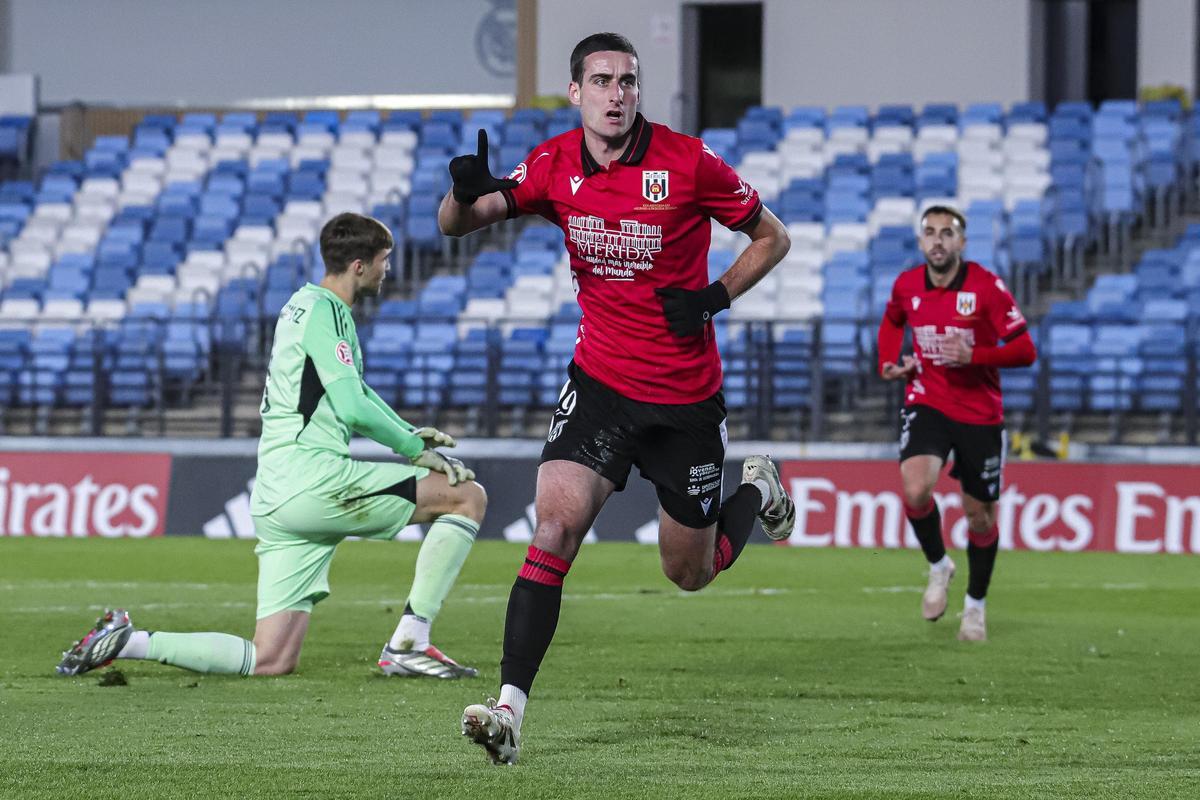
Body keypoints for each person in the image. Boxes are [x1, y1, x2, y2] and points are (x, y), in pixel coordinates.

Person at [438, 32, 796, 765]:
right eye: (601, 81)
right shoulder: (551, 164)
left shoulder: (687, 162)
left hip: (684, 402)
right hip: (599, 386)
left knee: (687, 572)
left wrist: (712, 298)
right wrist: (461, 190)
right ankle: (509, 711)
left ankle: (755, 491)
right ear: (577, 93)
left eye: (628, 81)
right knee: (554, 528)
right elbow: (456, 225)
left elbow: (771, 236)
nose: (616, 93)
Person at [57, 212, 486, 680]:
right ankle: (410, 642)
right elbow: (352, 406)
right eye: (384, 261)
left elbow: (355, 391)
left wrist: (409, 430)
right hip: (315, 482)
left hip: (278, 491)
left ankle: (129, 641)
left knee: (270, 659)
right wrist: (411, 448)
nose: (389, 271)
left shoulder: (302, 305)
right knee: (466, 497)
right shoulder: (326, 312)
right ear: (359, 265)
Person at [877, 205, 1037, 642]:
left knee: (979, 517)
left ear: (962, 243)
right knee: (914, 489)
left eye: (947, 233)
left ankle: (975, 607)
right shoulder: (907, 284)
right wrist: (889, 363)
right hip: (927, 398)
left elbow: (1025, 349)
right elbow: (892, 320)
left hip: (980, 413)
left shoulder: (986, 286)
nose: (938, 240)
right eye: (929, 232)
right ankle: (938, 566)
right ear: (920, 240)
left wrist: (977, 356)